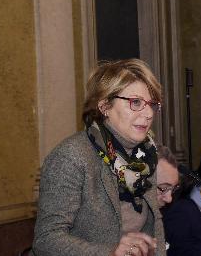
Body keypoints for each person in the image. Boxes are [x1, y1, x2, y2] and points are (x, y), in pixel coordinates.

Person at [33, 59, 164, 256]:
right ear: (104, 106)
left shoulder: (145, 156)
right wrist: (110, 252)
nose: (148, 114)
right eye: (136, 102)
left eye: (152, 104)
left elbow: (155, 228)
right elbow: (46, 240)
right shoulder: (72, 156)